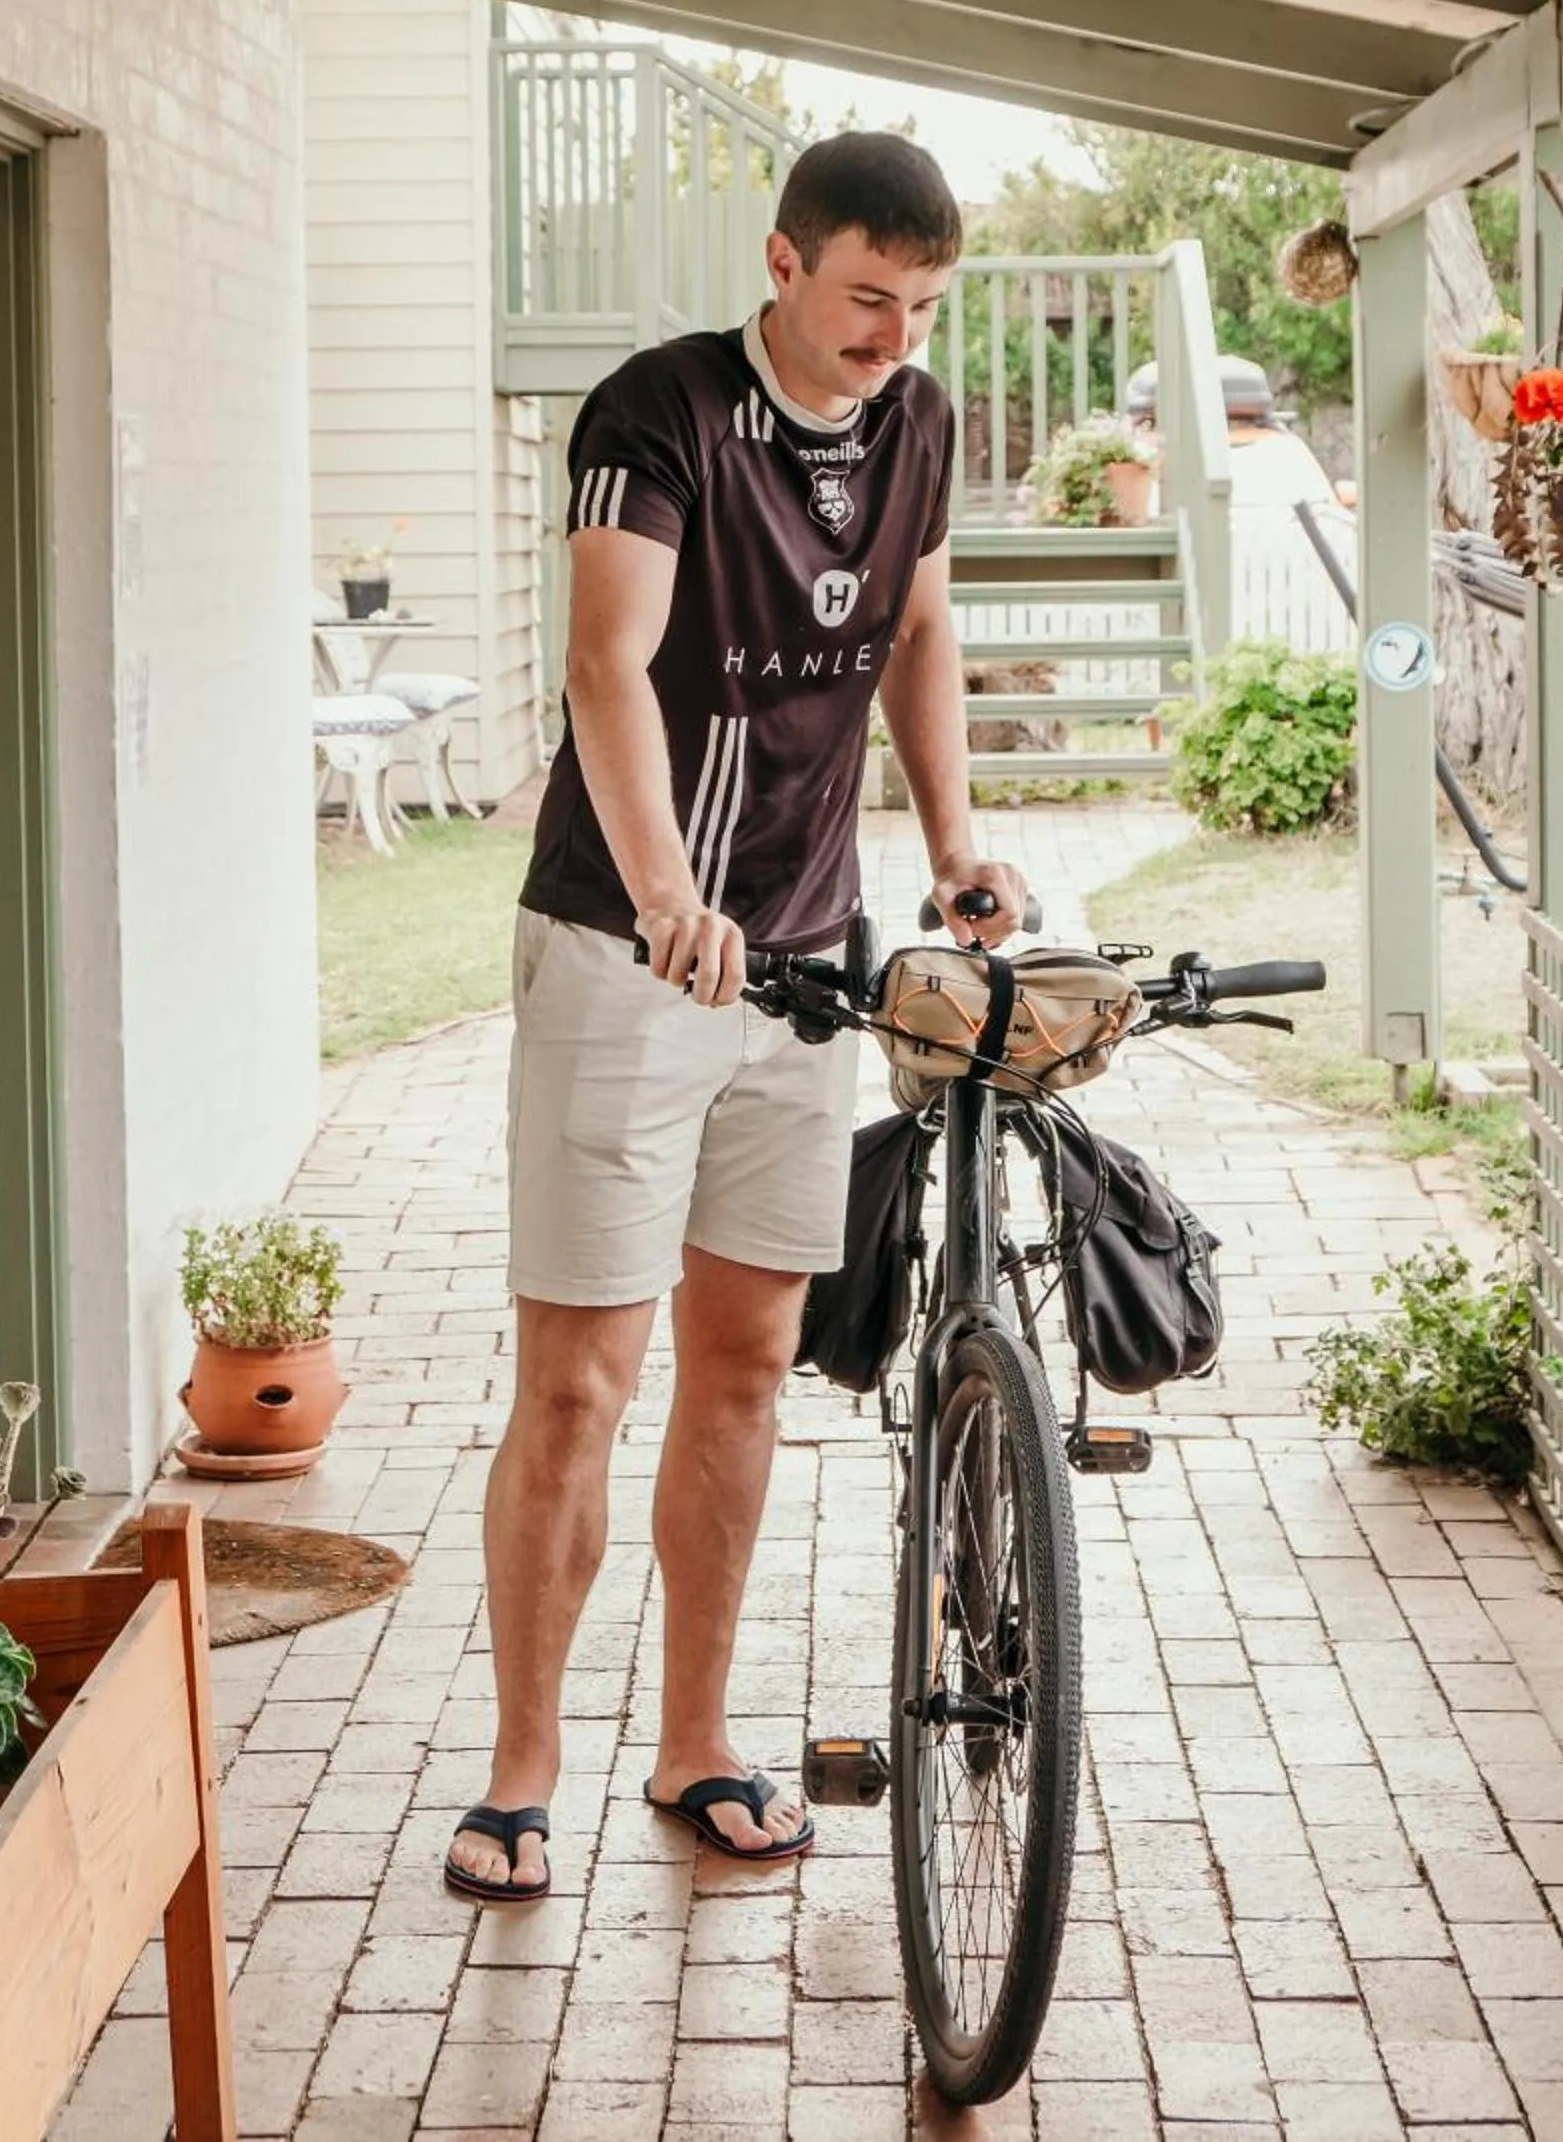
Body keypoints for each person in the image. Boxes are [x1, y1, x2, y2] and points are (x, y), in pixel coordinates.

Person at [444, 130, 1029, 1901]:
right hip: (630, 956)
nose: (892, 337)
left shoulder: (913, 427)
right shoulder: (658, 415)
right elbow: (605, 661)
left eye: (922, 307)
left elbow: (916, 635)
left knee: (748, 1365)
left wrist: (952, 841)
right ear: (783, 264)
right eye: (867, 298)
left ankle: (694, 1741)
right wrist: (666, 897)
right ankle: (522, 1766)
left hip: (804, 955)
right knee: (579, 1386)